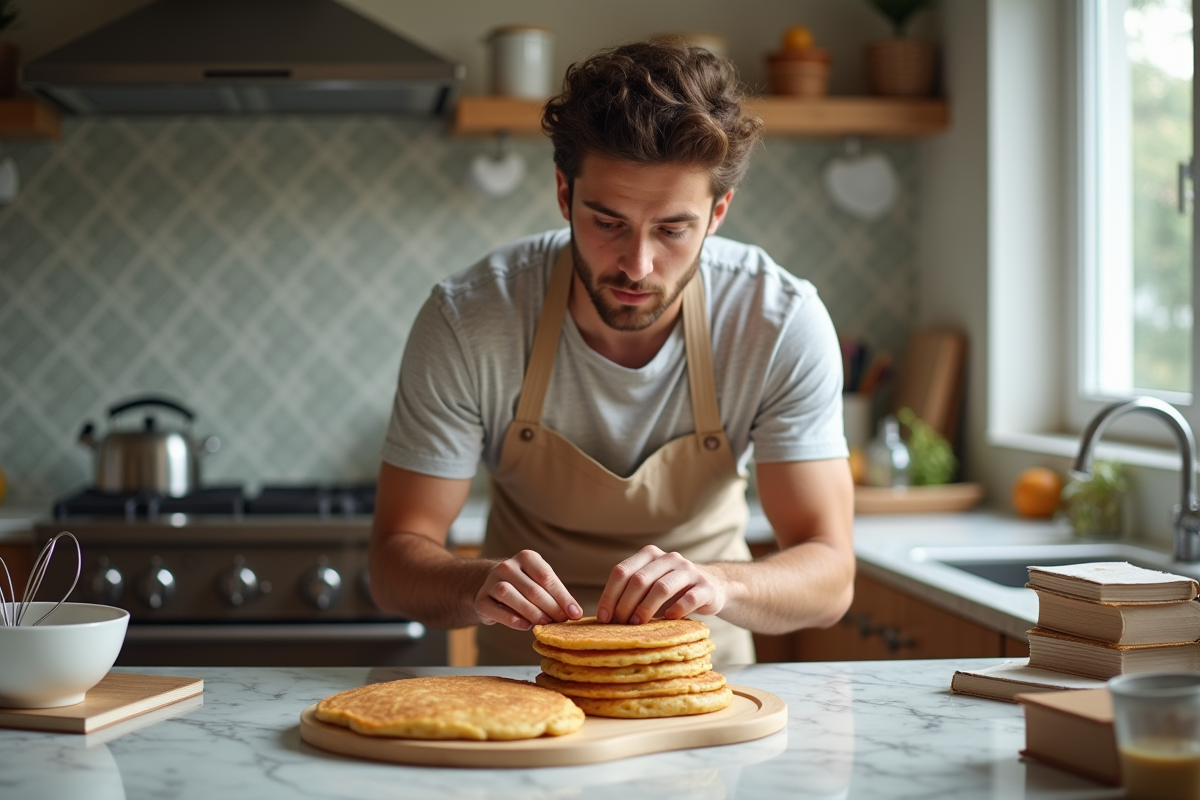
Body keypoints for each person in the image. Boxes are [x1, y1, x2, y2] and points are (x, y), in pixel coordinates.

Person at [369, 40, 855, 666]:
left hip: (704, 683)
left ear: (717, 214)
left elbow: (831, 573)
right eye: (608, 222)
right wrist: (474, 584)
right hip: (523, 680)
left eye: (673, 230)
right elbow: (393, 560)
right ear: (565, 196)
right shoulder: (470, 318)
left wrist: (720, 583)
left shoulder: (779, 321)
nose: (637, 264)